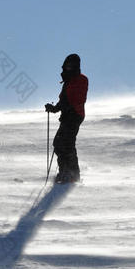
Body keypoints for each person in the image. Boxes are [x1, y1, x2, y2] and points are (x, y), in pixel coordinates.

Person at [45, 54, 88, 183]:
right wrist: (54, 108)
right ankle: (65, 172)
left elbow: (79, 99)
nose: (68, 68)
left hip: (74, 115)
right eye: (66, 66)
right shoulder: (68, 81)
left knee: (67, 144)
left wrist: (66, 107)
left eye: (70, 66)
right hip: (68, 116)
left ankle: (73, 175)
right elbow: (63, 100)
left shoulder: (81, 79)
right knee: (58, 144)